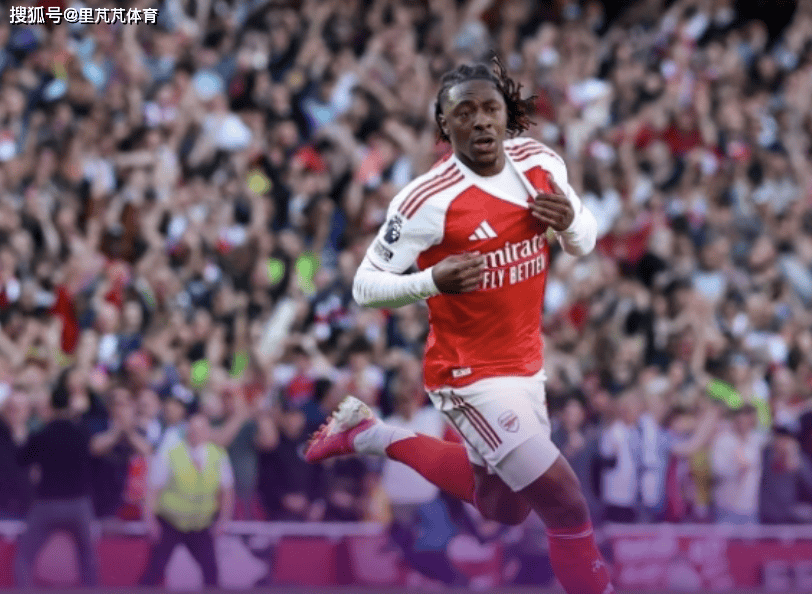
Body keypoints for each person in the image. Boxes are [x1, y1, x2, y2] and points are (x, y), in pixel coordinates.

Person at [306, 57, 614, 594]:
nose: (480, 121)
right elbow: (364, 285)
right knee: (565, 502)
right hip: (467, 375)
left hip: (525, 366)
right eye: (464, 112)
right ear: (445, 125)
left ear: (506, 114)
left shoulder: (540, 164)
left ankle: (371, 434)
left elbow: (585, 240)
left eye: (490, 108)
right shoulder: (426, 200)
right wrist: (430, 280)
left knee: (505, 507)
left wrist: (571, 224)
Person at [14, 371, 98, 587]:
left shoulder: (42, 434)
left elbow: (22, 460)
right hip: (78, 503)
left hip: (47, 503)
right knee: (87, 559)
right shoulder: (82, 433)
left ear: (50, 406)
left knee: (24, 558)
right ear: (69, 406)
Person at [139, 413, 234, 587]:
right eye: (192, 429)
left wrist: (223, 520)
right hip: (170, 522)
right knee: (154, 571)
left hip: (200, 524)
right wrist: (149, 520)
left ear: (208, 431)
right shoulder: (170, 453)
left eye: (200, 429)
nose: (195, 433)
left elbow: (227, 491)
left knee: (211, 573)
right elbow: (153, 489)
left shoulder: (218, 455)